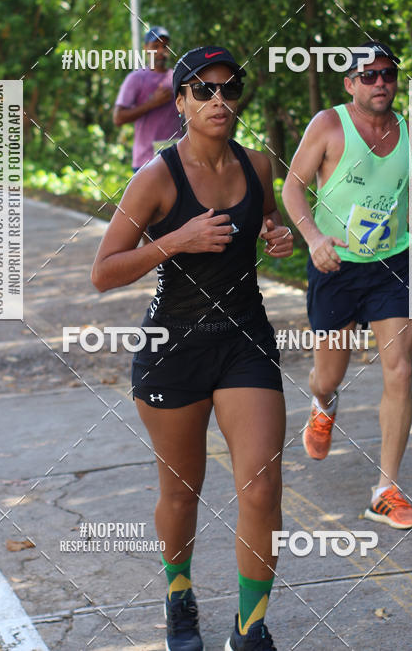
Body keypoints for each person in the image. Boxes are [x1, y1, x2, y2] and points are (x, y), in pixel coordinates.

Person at [93, 47, 293, 650]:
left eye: (228, 90)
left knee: (261, 485)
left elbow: (269, 221)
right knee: (181, 493)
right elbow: (103, 272)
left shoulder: (257, 167)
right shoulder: (156, 177)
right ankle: (179, 595)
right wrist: (177, 239)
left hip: (244, 339)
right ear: (179, 101)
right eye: (203, 91)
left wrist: (275, 234)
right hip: (172, 346)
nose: (218, 101)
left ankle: (250, 630)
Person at [282, 42, 412, 529]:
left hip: (394, 263)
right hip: (336, 264)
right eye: (369, 75)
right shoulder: (328, 124)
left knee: (399, 369)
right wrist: (313, 237)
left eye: (388, 73)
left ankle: (385, 490)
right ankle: (322, 405)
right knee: (328, 375)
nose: (380, 82)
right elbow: (292, 186)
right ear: (349, 84)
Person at [113, 25, 184, 172]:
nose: (160, 51)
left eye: (164, 46)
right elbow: (118, 118)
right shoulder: (136, 79)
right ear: (146, 48)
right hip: (145, 162)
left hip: (177, 159)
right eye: (155, 46)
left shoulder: (177, 78)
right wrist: (152, 103)